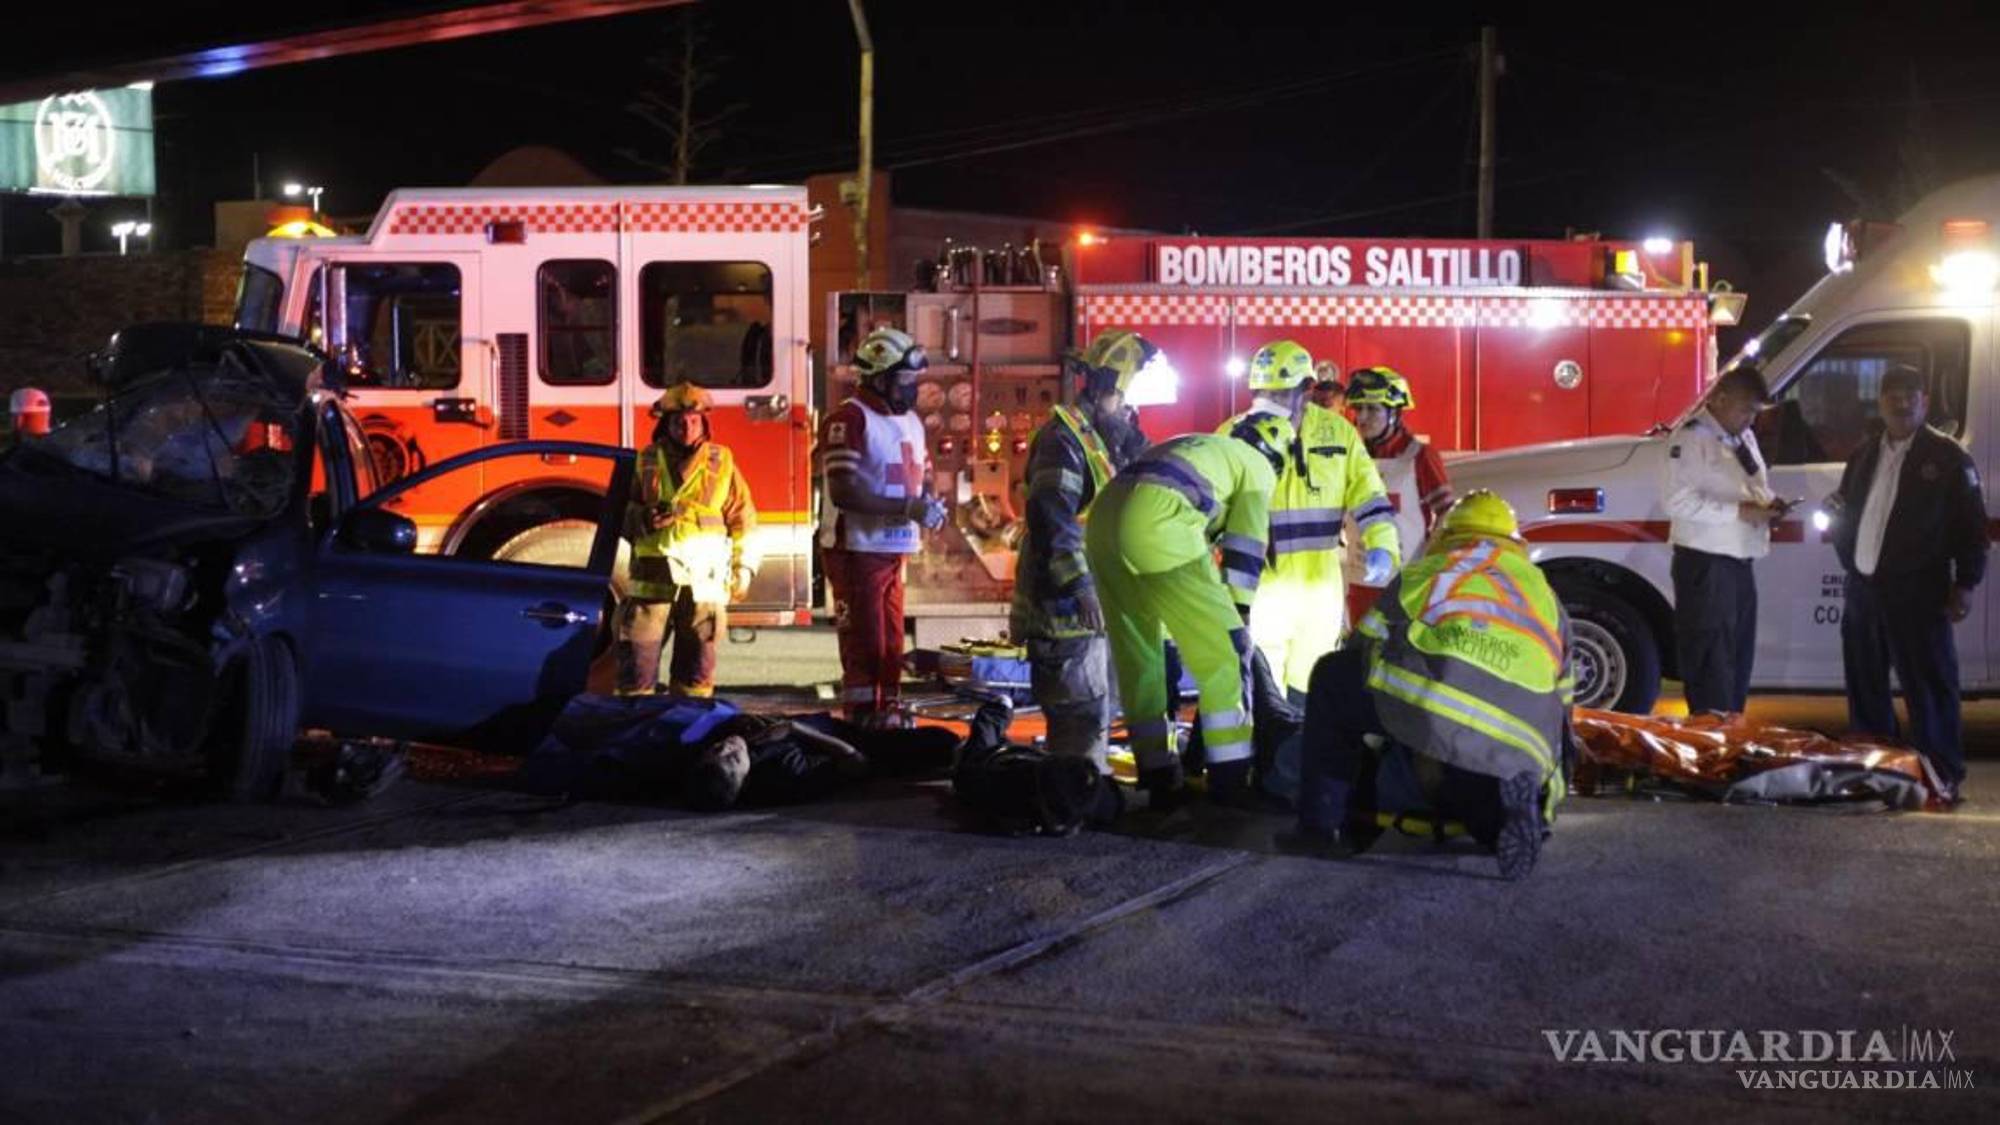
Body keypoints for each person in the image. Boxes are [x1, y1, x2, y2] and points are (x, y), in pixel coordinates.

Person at [1290, 491, 1574, 880]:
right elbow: (1565, 704)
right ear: (1515, 542)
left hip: (1437, 701)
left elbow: (1364, 640)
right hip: (1519, 730)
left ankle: (1320, 829)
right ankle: (1509, 816)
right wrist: (1550, 805)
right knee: (1478, 775)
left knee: (1332, 678)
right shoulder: (1543, 593)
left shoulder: (1430, 570)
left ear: (1446, 534)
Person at [1083, 418, 1289, 805]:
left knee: (1141, 655)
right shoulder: (1258, 466)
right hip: (1158, 524)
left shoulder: (1196, 444)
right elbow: (1246, 547)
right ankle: (1230, 779)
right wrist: (1238, 616)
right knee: (1225, 654)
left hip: (1102, 525)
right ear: (1276, 457)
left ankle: (1158, 770)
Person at [1827, 364, 1987, 805]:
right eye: (1892, 394)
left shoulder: (1948, 458)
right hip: (1864, 590)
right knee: (1866, 686)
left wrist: (1966, 584)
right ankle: (1877, 769)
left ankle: (1941, 774)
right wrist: (1849, 559)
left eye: (1910, 394)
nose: (1900, 402)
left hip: (1918, 592)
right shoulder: (1864, 453)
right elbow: (1845, 509)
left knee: (1929, 686)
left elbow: (1970, 529)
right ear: (1880, 401)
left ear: (1925, 402)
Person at [1009, 328, 1158, 774]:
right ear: (1105, 390)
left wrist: (1133, 440)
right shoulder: (1064, 441)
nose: (1130, 412)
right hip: (1066, 612)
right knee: (1078, 721)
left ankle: (1087, 799)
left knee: (1095, 717)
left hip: (1091, 612)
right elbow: (1053, 520)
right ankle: (1070, 812)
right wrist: (1082, 586)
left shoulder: (1100, 440)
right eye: (1125, 402)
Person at [1219, 340, 1398, 699]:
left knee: (1312, 686)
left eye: (1281, 393)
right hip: (1262, 586)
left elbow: (1368, 495)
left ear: (1305, 391)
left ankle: (1301, 752)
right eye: (1263, 391)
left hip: (1321, 588)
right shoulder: (1233, 433)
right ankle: (1269, 754)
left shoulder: (1339, 433)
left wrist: (1383, 545)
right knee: (1261, 687)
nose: (1269, 401)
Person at [818, 327, 947, 728]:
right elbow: (844, 492)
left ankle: (887, 711)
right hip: (856, 548)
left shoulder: (911, 422)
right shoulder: (849, 418)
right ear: (878, 378)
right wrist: (909, 506)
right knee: (865, 642)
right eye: (905, 381)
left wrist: (930, 504)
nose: (913, 390)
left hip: (893, 549)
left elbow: (920, 476)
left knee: (891, 640)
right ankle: (862, 718)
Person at [615, 384, 758, 697]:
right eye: (679, 421)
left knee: (696, 675)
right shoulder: (646, 460)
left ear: (704, 423)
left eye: (693, 420)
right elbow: (619, 513)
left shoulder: (723, 461)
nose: (686, 427)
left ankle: (690, 734)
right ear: (665, 424)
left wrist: (744, 568)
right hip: (652, 581)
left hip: (704, 585)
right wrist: (642, 518)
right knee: (635, 671)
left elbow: (743, 519)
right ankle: (631, 734)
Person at [1660, 365, 1782, 715]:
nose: (1750, 420)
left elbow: (1753, 484)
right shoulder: (1690, 439)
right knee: (1711, 669)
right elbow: (1677, 501)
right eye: (1745, 410)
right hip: (1706, 566)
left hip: (1739, 563)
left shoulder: (1741, 436)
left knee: (1736, 667)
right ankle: (1712, 752)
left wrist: (1769, 504)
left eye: (1755, 413)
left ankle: (1729, 748)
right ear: (1720, 398)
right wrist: (1740, 512)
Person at [1343, 366, 1452, 623]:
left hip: (1406, 584)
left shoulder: (1420, 456)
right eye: (1359, 409)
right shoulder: (1351, 458)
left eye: (1374, 409)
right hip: (1359, 583)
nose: (1363, 418)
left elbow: (1447, 513)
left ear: (1395, 413)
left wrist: (1431, 565)